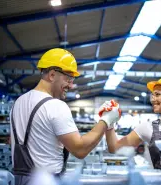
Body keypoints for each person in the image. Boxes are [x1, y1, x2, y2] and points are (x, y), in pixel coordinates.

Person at [10, 48, 121, 185]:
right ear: (52, 75)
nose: (71, 85)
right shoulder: (55, 106)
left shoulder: (18, 102)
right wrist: (106, 120)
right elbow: (80, 150)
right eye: (68, 79)